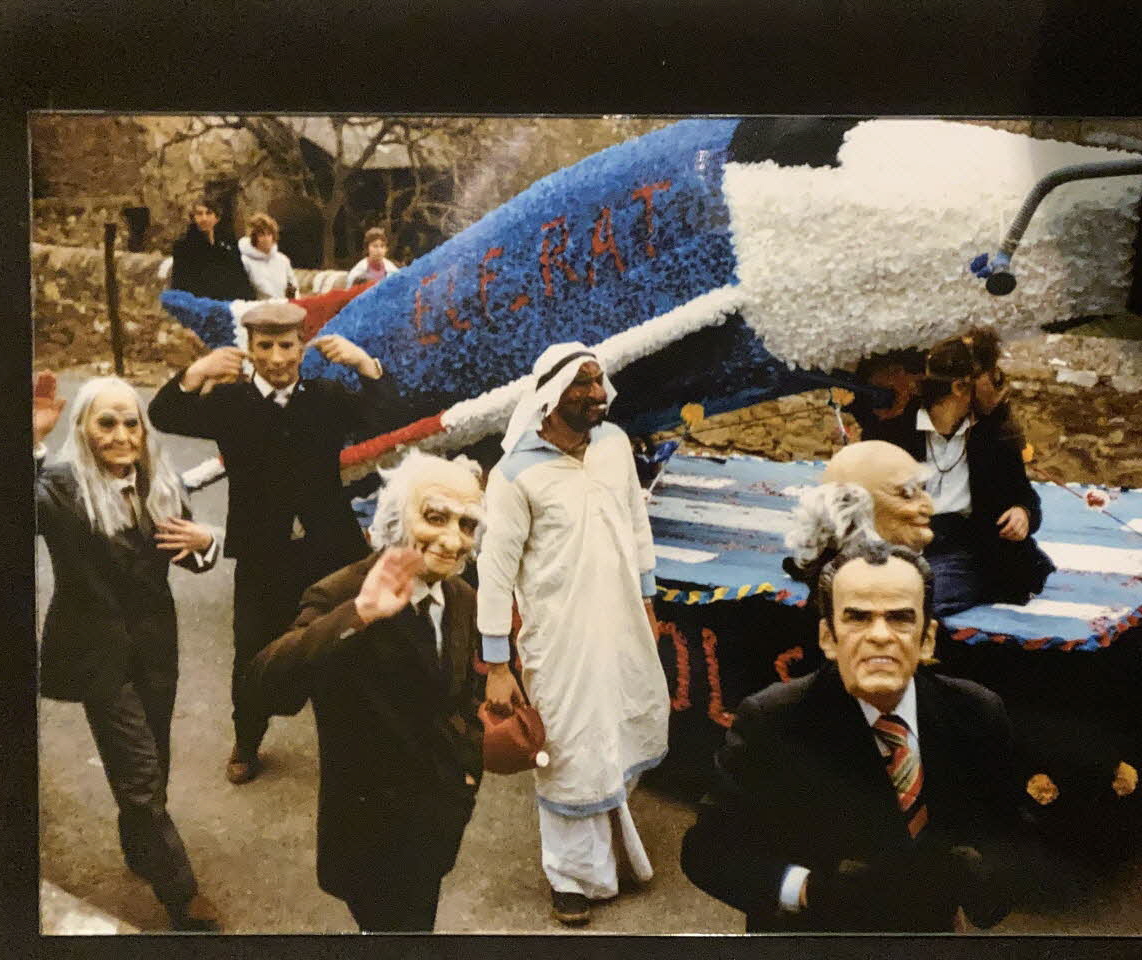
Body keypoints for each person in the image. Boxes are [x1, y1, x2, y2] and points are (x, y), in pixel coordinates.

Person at [681, 538, 1022, 932]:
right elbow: (708, 850)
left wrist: (985, 878)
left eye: (900, 617)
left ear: (926, 637)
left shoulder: (975, 713)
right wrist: (809, 890)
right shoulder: (775, 720)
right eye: (858, 617)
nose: (879, 635)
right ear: (827, 637)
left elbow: (1011, 836)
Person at [148, 301, 401, 785]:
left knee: (346, 646)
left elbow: (385, 414)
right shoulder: (228, 404)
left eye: (287, 345)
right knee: (253, 652)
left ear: (303, 348)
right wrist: (198, 370)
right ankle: (247, 741)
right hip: (264, 556)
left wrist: (364, 364)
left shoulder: (327, 396)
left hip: (330, 551)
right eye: (265, 345)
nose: (278, 357)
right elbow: (164, 413)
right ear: (250, 348)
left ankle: (353, 748)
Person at [245, 452, 486, 932]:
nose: (452, 539)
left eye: (467, 524)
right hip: (368, 836)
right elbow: (264, 685)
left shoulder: (462, 597)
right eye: (435, 517)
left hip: (436, 825)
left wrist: (466, 777)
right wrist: (358, 615)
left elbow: (462, 697)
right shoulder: (341, 594)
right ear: (396, 518)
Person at [476, 342, 668, 926]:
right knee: (567, 751)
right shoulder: (515, 474)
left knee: (617, 731)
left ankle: (610, 859)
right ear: (551, 396)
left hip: (621, 623)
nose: (596, 393)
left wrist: (648, 597)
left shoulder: (612, 446)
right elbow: (495, 572)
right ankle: (570, 879)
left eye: (599, 381)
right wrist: (498, 664)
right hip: (556, 639)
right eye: (582, 384)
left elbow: (636, 520)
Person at [33, 372, 222, 931]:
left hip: (156, 647)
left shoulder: (161, 484)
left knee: (153, 760)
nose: (120, 434)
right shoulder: (59, 486)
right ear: (85, 429)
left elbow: (188, 555)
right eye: (105, 422)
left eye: (129, 421)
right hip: (95, 653)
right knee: (138, 774)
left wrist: (207, 540)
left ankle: (142, 849)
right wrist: (31, 442)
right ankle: (181, 896)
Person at [860, 328, 1054, 615]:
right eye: (992, 376)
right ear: (960, 387)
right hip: (900, 539)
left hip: (962, 547)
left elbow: (1023, 496)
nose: (1000, 387)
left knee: (916, 598)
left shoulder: (995, 434)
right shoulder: (893, 430)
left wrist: (1022, 512)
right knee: (851, 588)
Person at [168, 197, 254, 301]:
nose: (204, 218)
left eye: (208, 213)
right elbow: (181, 283)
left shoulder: (227, 245)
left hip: (230, 304)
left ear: (216, 218)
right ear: (193, 218)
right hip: (200, 305)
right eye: (199, 214)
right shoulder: (184, 246)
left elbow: (240, 279)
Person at [238, 212, 299, 300]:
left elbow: (294, 287)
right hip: (258, 309)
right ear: (254, 237)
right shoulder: (244, 261)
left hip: (283, 309)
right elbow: (243, 293)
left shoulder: (282, 260)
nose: (266, 238)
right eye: (261, 235)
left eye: (269, 234)